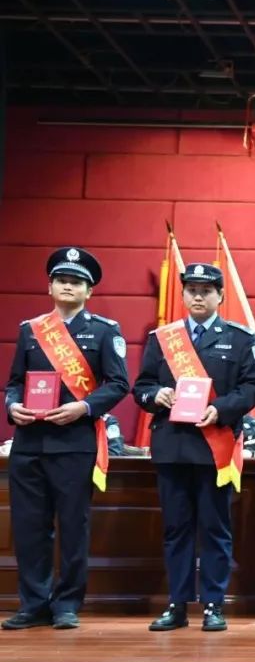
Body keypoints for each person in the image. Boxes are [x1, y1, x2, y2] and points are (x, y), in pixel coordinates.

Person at [2, 247, 129, 630]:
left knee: (73, 526)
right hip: (29, 444)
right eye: (61, 280)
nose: (68, 286)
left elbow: (118, 383)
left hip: (74, 443)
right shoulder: (31, 330)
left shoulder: (105, 331)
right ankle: (33, 604)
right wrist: (12, 406)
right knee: (29, 527)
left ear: (89, 291)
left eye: (76, 282)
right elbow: (14, 383)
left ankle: (67, 604)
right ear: (50, 287)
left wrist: (84, 407)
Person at [132, 263, 255, 632]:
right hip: (172, 447)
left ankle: (213, 605)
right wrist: (156, 395)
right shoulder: (163, 338)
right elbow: (141, 387)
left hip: (215, 446)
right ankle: (177, 604)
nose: (199, 296)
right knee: (176, 528)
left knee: (215, 528)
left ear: (221, 295)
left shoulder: (240, 338)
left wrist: (219, 409)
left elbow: (252, 387)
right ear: (184, 295)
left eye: (206, 291)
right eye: (192, 290)